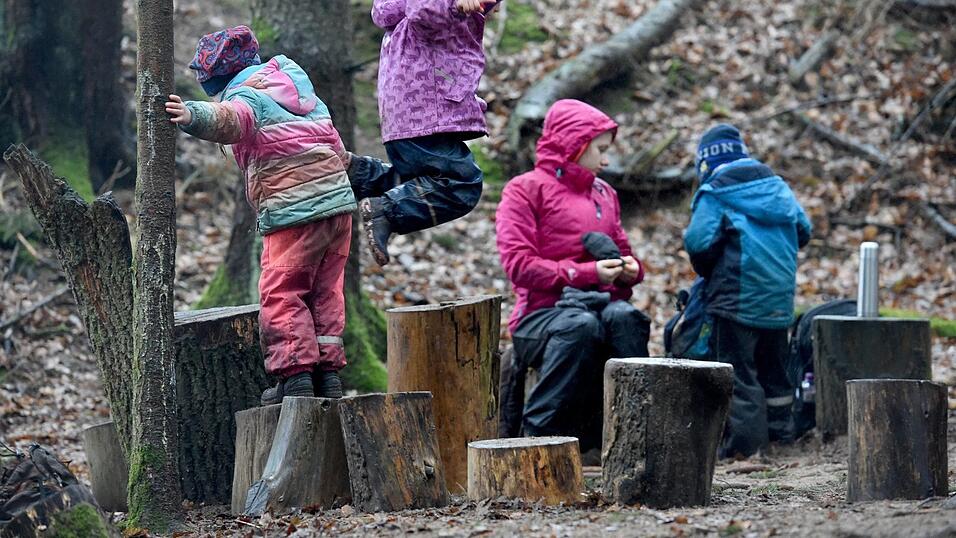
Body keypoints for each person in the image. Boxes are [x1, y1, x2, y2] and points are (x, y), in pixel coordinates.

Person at [165, 26, 354, 403]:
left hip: (294, 209)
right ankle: (328, 375)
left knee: (283, 290)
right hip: (336, 207)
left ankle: (297, 376)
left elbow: (231, 120)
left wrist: (192, 115)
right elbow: (336, 145)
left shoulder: (247, 95)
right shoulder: (302, 93)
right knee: (325, 291)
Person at [495, 99, 649, 453]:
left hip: (599, 304)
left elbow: (628, 255)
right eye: (601, 150)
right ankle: (536, 442)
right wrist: (585, 272)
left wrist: (629, 270)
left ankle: (637, 437)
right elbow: (518, 265)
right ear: (575, 144)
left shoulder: (604, 193)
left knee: (626, 317)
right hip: (539, 316)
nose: (606, 160)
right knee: (580, 327)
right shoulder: (525, 189)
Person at [683, 123, 812, 458]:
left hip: (735, 299)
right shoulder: (777, 188)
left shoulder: (714, 192)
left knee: (739, 373)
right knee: (774, 370)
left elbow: (698, 242)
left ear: (705, 163)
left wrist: (709, 269)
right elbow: (804, 230)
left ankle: (745, 447)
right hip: (778, 300)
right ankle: (781, 437)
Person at [345, 0, 498, 266]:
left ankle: (361, 175)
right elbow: (424, 12)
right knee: (461, 184)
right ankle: (386, 211)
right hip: (427, 103)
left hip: (411, 106)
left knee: (422, 180)